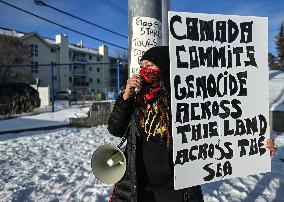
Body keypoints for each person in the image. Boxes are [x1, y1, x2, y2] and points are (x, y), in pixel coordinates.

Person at [107, 46, 277, 202]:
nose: (144, 70)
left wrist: (257, 144)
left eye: (149, 65)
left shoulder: (188, 101)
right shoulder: (135, 99)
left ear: (165, 67)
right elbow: (115, 129)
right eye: (141, 65)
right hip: (138, 187)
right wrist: (125, 98)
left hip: (177, 189)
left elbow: (223, 131)